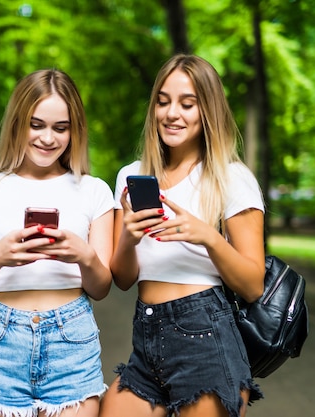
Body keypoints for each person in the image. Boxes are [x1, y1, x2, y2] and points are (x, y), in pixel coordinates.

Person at [99, 54, 265, 417]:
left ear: (208, 111)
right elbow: (124, 279)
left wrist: (207, 236)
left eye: (187, 104)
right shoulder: (131, 175)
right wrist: (127, 236)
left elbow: (253, 285)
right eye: (163, 101)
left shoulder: (231, 178)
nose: (171, 113)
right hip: (146, 340)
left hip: (206, 339)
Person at [0, 69, 114, 417]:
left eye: (61, 127)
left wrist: (84, 256)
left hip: (72, 339)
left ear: (75, 131)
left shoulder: (95, 191)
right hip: (1, 340)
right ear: (17, 123)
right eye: (36, 124)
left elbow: (101, 288)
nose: (48, 138)